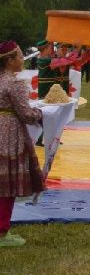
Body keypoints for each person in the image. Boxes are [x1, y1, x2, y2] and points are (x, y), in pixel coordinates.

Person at [0, 41, 45, 246]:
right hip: (9, 134)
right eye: (18, 56)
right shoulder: (15, 83)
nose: (21, 59)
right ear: (9, 61)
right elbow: (26, 114)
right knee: (6, 184)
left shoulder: (1, 79)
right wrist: (42, 114)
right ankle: (2, 231)